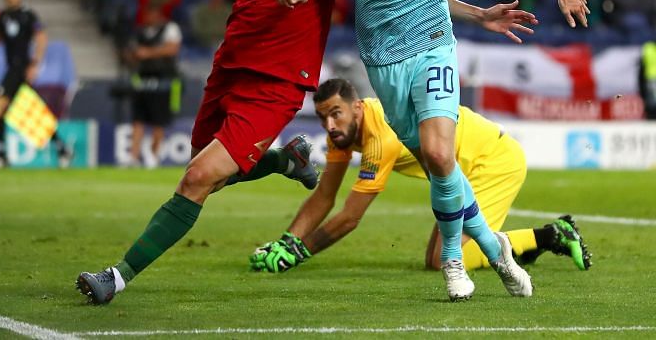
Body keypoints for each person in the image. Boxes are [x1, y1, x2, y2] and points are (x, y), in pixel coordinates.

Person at [277, 0, 590, 301]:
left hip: (434, 46)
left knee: (440, 154)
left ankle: (453, 261)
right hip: (383, 60)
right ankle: (495, 248)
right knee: (436, 164)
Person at [75, 0, 342, 305]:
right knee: (206, 167)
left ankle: (116, 277)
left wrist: (470, 13)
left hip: (278, 83)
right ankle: (285, 160)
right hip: (230, 68)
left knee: (198, 178)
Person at [250, 78, 592, 275]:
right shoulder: (342, 133)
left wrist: (299, 254)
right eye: (323, 117)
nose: (329, 125)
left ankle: (549, 236)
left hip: (492, 161)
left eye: (335, 114)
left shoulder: (379, 135)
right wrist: (286, 241)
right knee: (436, 259)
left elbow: (350, 217)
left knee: (446, 261)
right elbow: (324, 195)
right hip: (460, 169)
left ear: (356, 108)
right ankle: (523, 248)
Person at [0, 0, 72, 169]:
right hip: (12, 68)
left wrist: (35, 63)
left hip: (20, 68)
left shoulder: (28, 15)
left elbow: (41, 37)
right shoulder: (2, 16)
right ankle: (62, 149)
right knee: (28, 111)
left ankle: (2, 155)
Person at [124, 3, 183, 165]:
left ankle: (153, 155)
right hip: (142, 80)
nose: (148, 17)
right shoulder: (140, 31)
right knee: (138, 119)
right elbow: (131, 52)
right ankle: (133, 157)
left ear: (158, 14)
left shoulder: (170, 28)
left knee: (159, 120)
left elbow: (172, 49)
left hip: (163, 80)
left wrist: (147, 53)